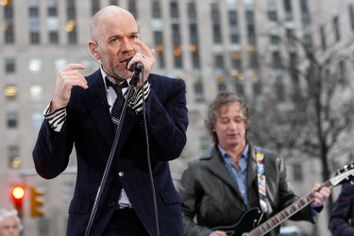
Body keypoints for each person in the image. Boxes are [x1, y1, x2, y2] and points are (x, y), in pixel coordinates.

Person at [32, 5, 188, 236]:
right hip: (97, 223)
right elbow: (47, 167)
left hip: (154, 220)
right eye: (115, 39)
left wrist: (143, 91)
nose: (127, 47)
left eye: (133, 36)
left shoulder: (168, 89)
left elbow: (171, 148)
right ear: (95, 50)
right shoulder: (77, 94)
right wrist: (57, 106)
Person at [179, 91, 331, 236]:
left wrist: (311, 204)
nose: (232, 126)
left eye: (238, 120)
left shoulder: (271, 162)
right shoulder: (196, 169)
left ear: (246, 124)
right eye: (225, 121)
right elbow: (179, 216)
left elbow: (287, 202)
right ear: (213, 126)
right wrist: (207, 234)